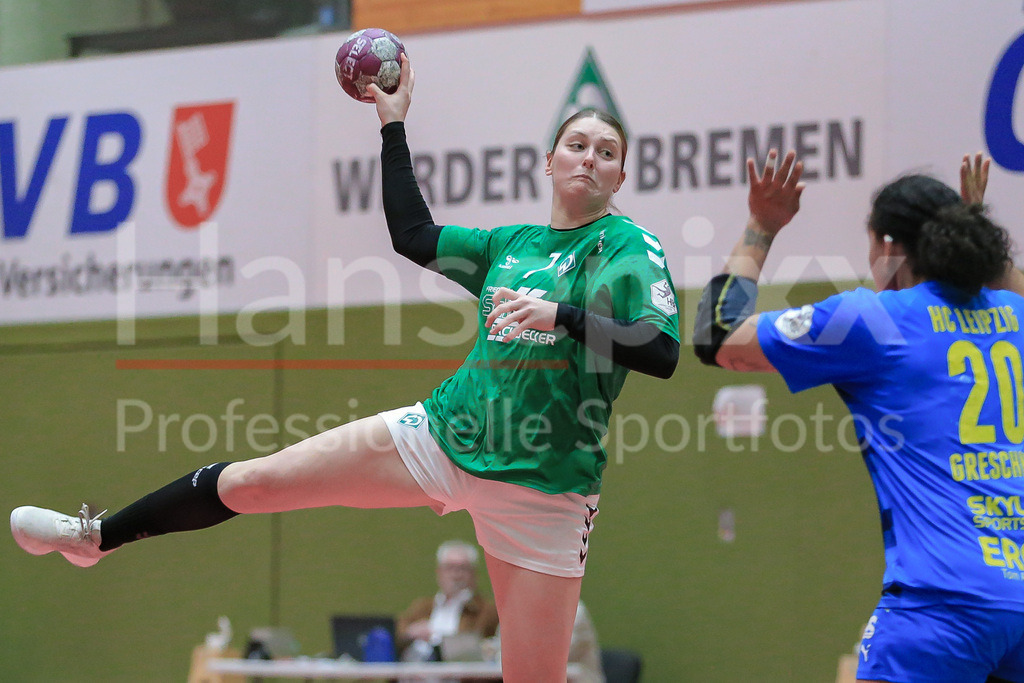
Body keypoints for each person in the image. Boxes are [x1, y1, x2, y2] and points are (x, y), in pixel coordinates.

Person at [10, 55, 679, 683]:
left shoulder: (626, 245)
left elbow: (660, 349)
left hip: (545, 485)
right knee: (262, 479)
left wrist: (558, 313)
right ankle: (95, 536)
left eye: (607, 151)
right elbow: (412, 235)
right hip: (444, 436)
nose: (590, 156)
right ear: (550, 161)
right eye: (578, 144)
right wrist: (393, 122)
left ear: (621, 177)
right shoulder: (511, 245)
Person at [693, 150, 1024, 683]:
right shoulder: (1014, 315)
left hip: (939, 608)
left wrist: (762, 225)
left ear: (889, 248)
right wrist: (974, 227)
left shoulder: (874, 319)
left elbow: (716, 335)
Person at [396, 540, 498, 662]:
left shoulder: (486, 610)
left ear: (474, 574)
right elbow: (397, 631)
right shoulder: (423, 606)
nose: (456, 575)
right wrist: (410, 632)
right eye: (449, 568)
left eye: (463, 568)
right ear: (439, 572)